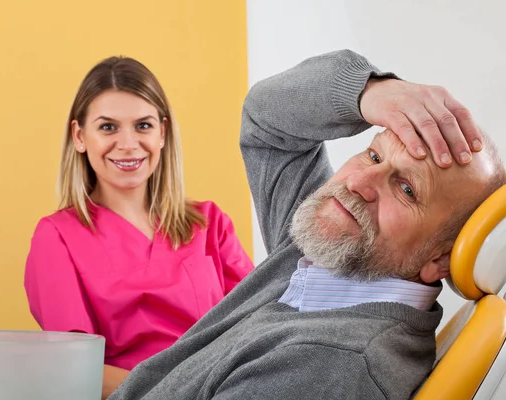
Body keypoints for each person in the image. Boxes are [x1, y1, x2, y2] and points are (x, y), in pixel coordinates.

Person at [108, 49, 506, 399]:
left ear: (440, 259)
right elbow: (266, 122)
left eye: (406, 189)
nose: (357, 182)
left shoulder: (329, 365)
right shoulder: (323, 254)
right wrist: (369, 91)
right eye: (373, 156)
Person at [23, 57, 254, 398]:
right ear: (79, 135)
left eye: (143, 126)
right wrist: (186, 392)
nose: (128, 144)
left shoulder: (209, 223)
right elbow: (73, 366)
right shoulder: (56, 237)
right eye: (108, 127)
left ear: (162, 132)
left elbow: (257, 327)